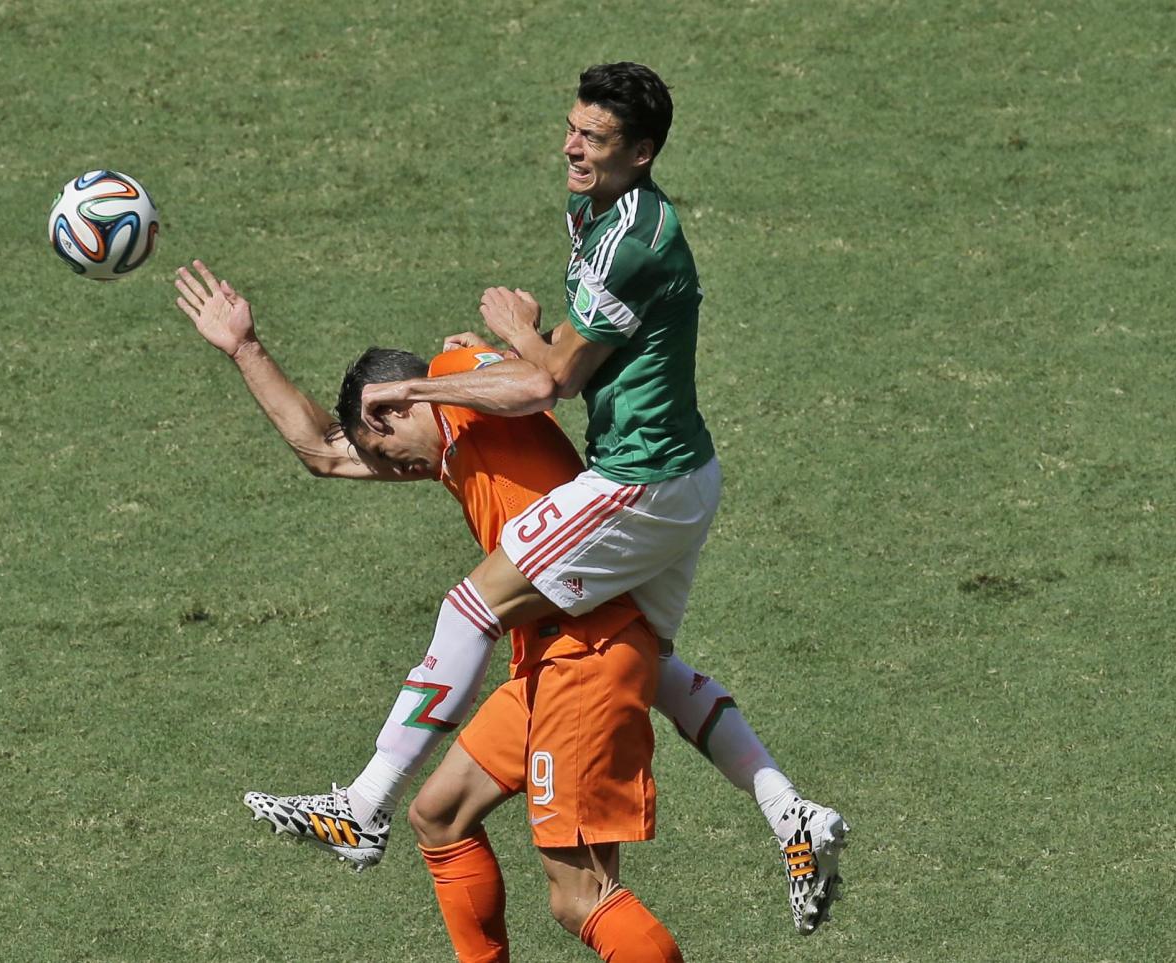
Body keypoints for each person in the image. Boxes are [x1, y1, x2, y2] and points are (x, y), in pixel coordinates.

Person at [347, 62, 849, 933]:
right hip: (684, 475)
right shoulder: (596, 210)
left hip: (640, 477)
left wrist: (475, 358)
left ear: (641, 152)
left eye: (595, 138)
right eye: (573, 128)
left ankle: (365, 799)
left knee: (472, 606)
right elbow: (569, 353)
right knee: (652, 663)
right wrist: (523, 346)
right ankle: (788, 809)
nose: (573, 148)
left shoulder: (632, 240)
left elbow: (553, 380)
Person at [176, 262, 682, 961]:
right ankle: (370, 808)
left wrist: (441, 374)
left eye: (385, 447)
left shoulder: (454, 380)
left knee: (581, 897)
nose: (395, 467)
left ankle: (364, 802)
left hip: (588, 655)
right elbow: (325, 453)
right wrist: (245, 348)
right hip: (548, 660)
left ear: (392, 410)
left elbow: (535, 384)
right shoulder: (449, 446)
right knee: (439, 816)